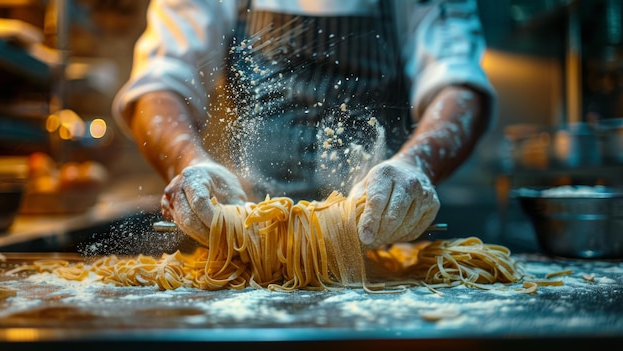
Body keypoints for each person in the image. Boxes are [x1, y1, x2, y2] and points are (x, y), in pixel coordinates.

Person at [112, 0, 495, 249]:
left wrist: (414, 166)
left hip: (384, 245)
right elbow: (159, 84)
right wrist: (189, 163)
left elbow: (457, 82)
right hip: (244, 243)